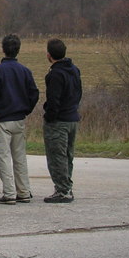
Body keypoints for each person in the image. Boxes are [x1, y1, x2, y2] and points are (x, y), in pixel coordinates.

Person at [0, 34, 39, 205]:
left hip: (2, 119)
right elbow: (34, 93)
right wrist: (26, 109)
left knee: (3, 157)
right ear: (18, 50)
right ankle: (23, 191)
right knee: (19, 157)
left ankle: (9, 193)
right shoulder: (25, 71)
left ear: (3, 49)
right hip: (19, 118)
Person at [42, 38, 82, 203]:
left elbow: (54, 100)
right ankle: (67, 186)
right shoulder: (74, 70)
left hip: (59, 121)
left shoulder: (55, 74)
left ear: (49, 55)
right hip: (72, 117)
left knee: (57, 156)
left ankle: (62, 190)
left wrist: (49, 117)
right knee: (67, 155)